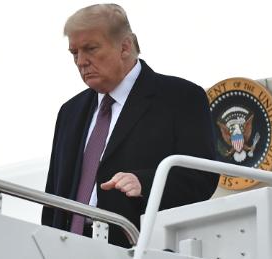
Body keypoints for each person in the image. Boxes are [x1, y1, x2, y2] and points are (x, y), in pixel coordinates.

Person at [41, 3, 218, 248]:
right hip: (65, 247)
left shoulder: (181, 97)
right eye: (74, 53)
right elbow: (54, 195)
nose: (81, 61)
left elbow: (201, 178)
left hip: (138, 246)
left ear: (125, 46)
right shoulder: (69, 112)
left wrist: (144, 183)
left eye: (91, 49)